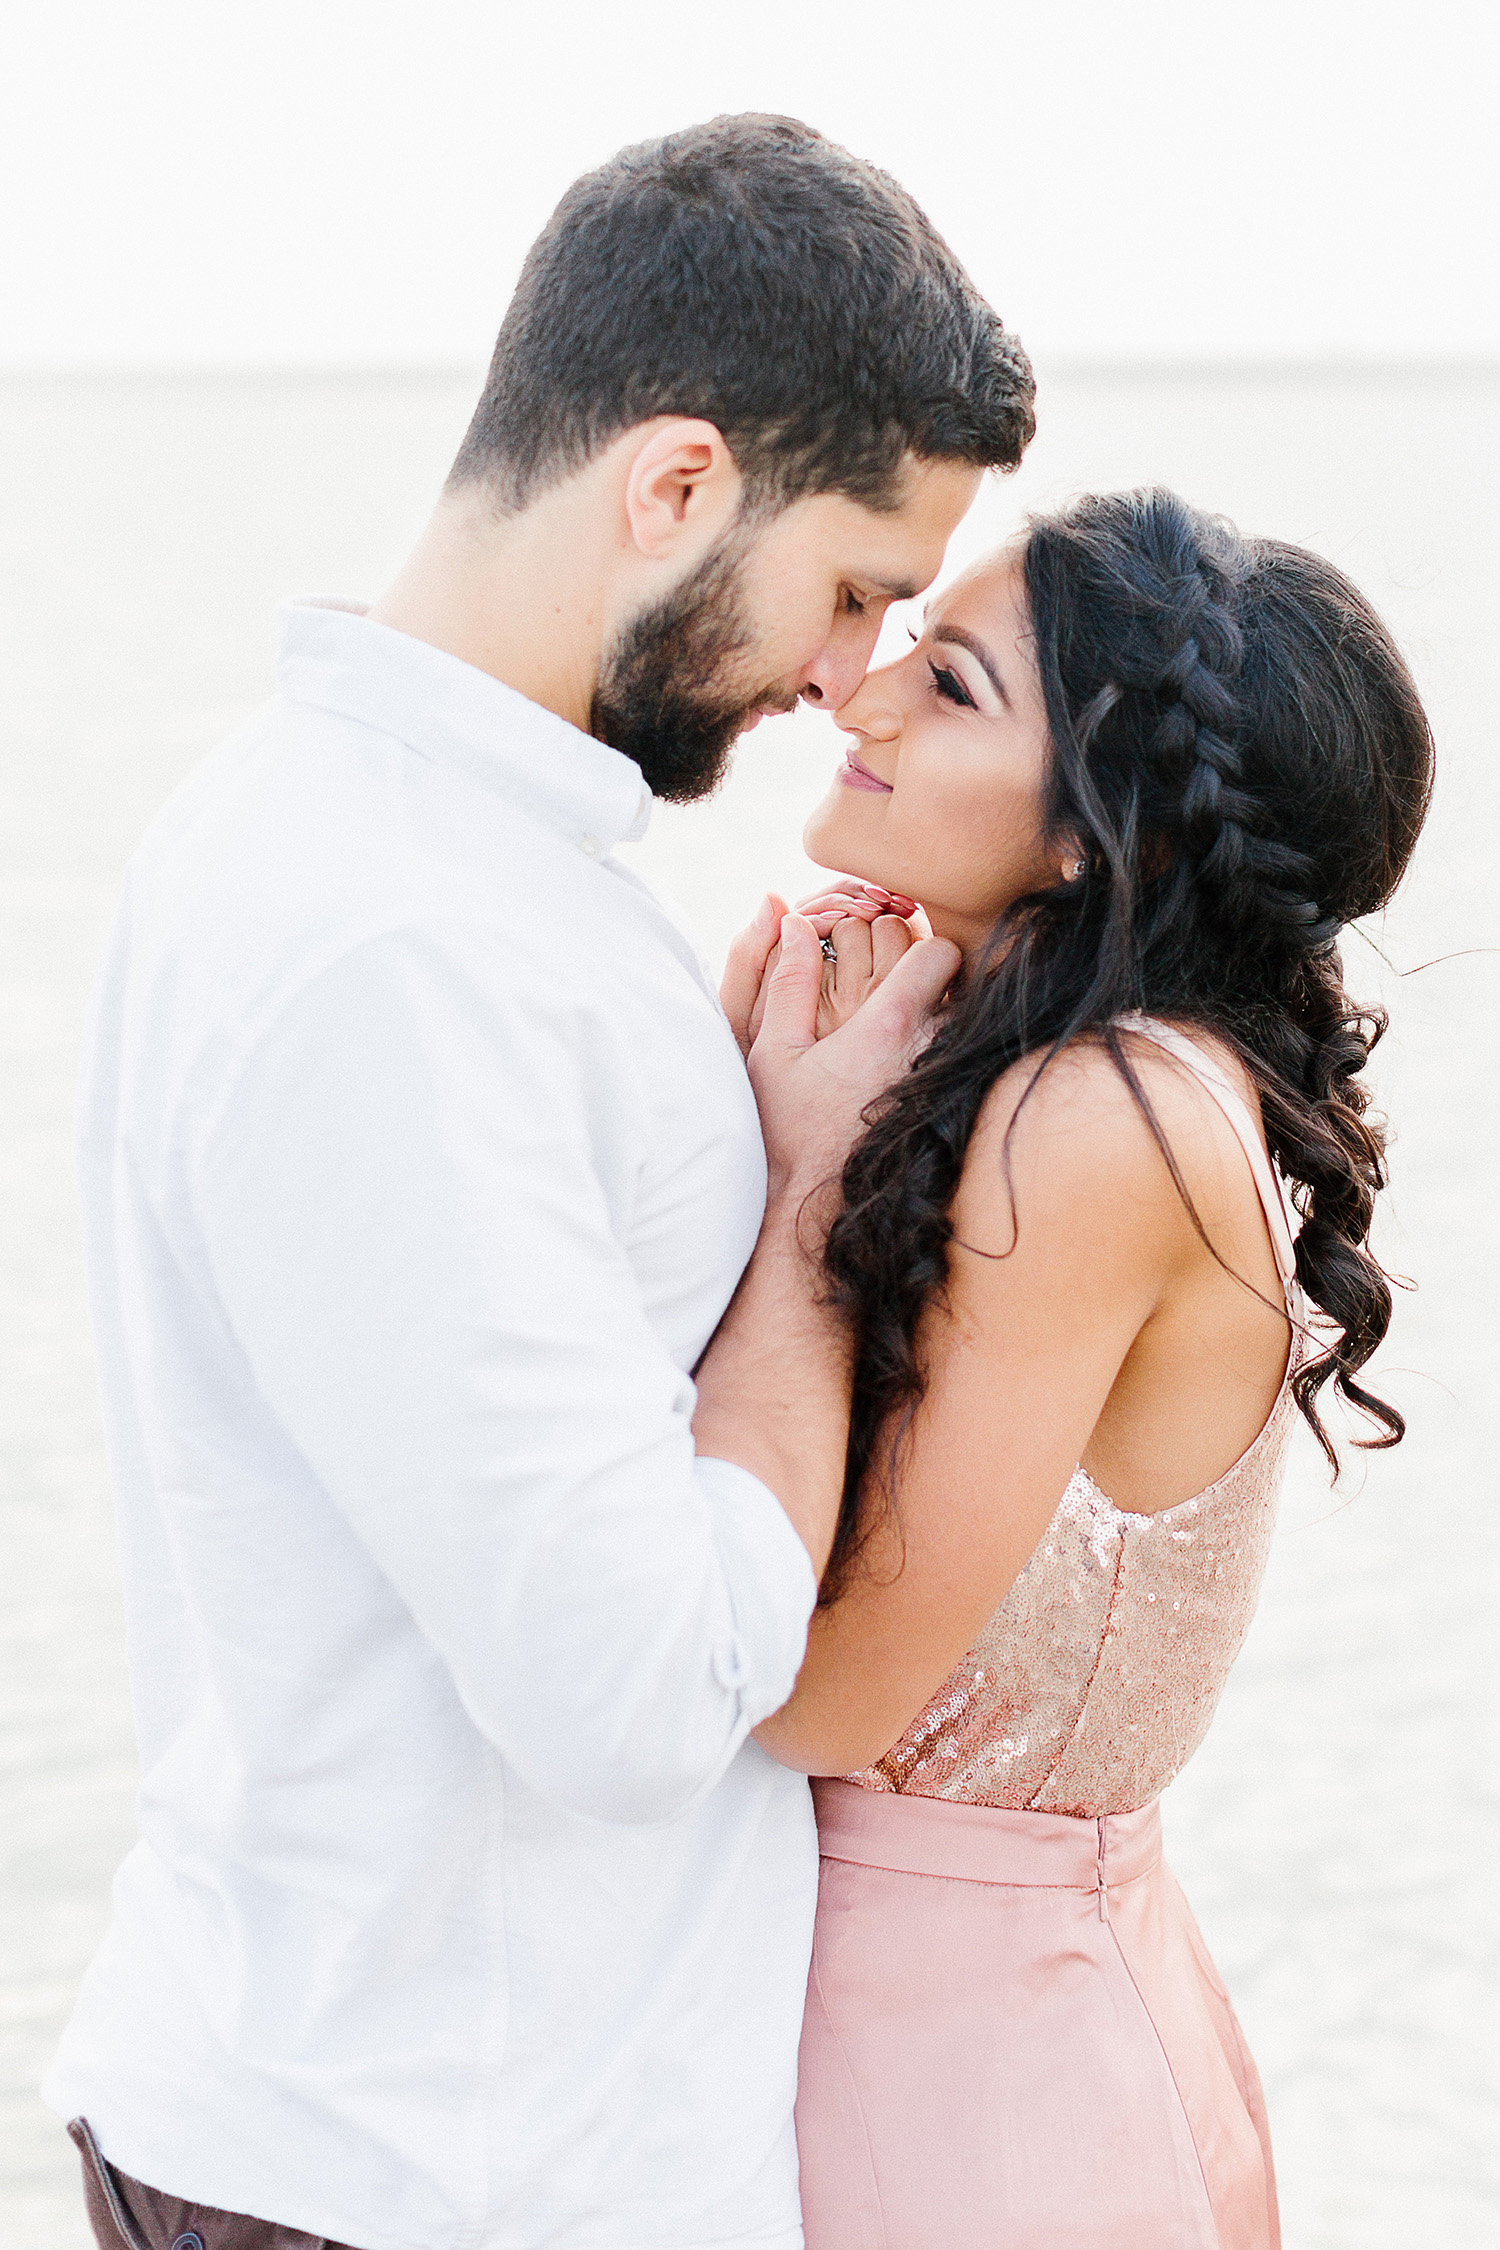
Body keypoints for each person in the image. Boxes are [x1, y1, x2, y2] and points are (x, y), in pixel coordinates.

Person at [46, 116, 1034, 2250]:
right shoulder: (400, 937)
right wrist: (804, 1213)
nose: (853, 674)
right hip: (438, 2172)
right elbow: (633, 1693)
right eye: (855, 585)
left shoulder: (415, 856)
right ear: (675, 486)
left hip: (417, 2124)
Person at [724, 488, 1433, 2248]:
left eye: (950, 682)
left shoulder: (1099, 1120)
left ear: (1092, 837)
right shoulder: (1087, 1082)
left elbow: (818, 1698)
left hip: (962, 2092)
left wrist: (802, 1180)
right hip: (996, 2029)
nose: (860, 693)